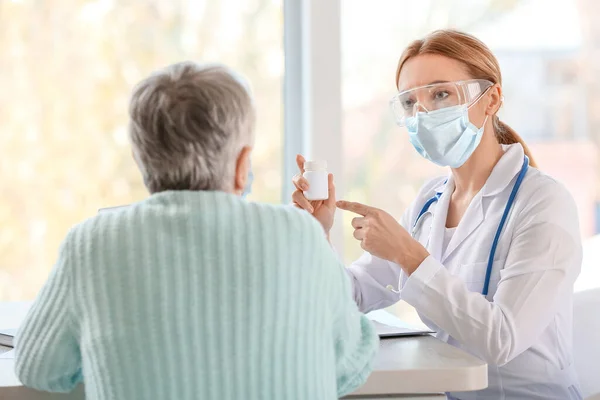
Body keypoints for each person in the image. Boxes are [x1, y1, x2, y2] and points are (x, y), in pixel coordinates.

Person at [14, 62, 378, 400]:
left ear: (143, 160)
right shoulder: (301, 235)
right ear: (241, 164)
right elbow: (351, 364)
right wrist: (318, 240)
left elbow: (37, 367)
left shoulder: (93, 244)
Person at [292, 30, 583, 400]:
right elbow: (350, 295)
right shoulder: (430, 201)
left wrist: (408, 255)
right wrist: (318, 233)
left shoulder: (542, 202)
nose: (424, 113)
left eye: (441, 93)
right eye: (410, 102)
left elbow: (502, 338)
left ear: (491, 99)